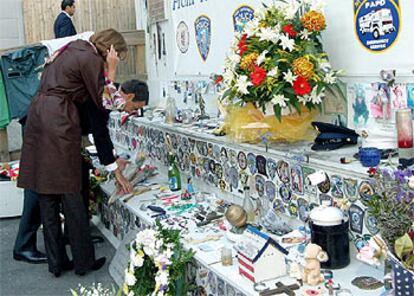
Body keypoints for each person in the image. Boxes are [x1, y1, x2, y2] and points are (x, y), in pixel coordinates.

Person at [17, 29, 132, 277]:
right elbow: (104, 104)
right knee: (71, 192)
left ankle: (56, 262)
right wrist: (111, 70)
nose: (116, 60)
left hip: (38, 116)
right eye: (117, 55)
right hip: (58, 120)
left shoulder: (70, 49)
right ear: (110, 50)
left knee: (46, 192)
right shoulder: (90, 58)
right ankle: (83, 261)